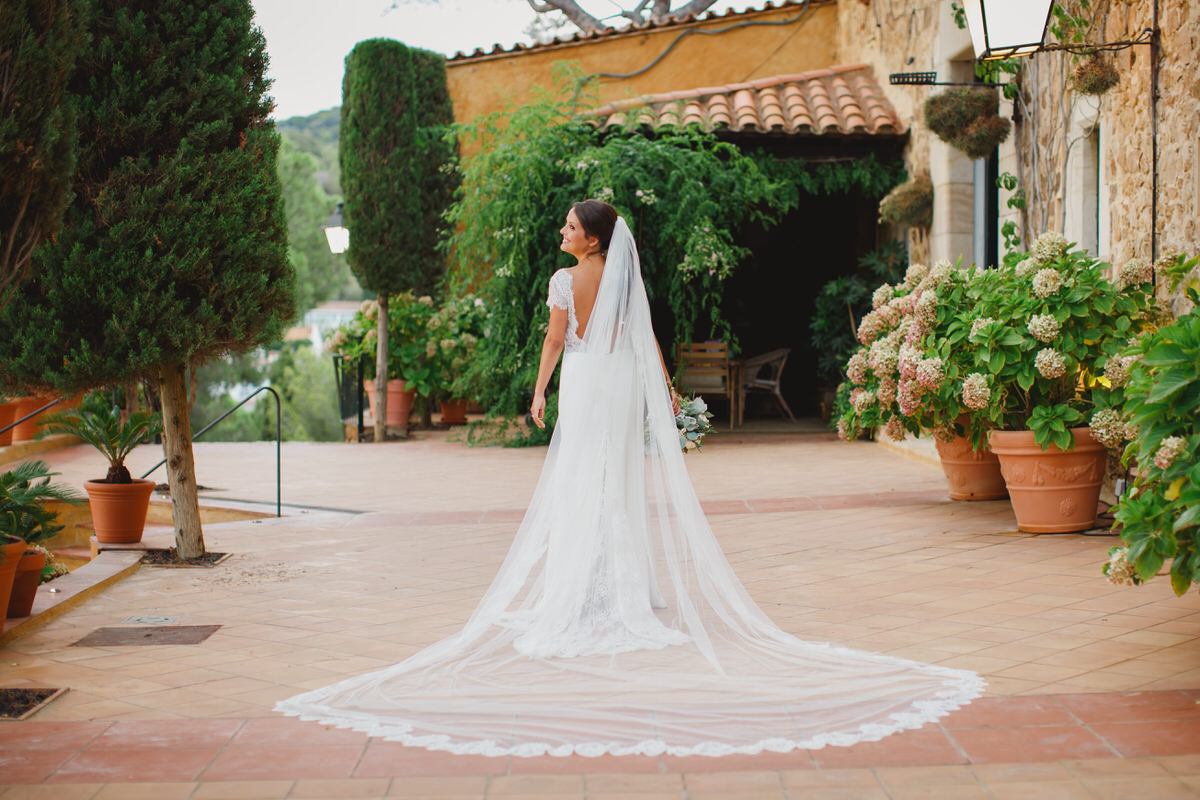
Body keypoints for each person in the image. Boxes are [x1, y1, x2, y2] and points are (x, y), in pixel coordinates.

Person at [276, 200, 982, 758]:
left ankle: (582, 589)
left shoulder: (565, 281)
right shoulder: (623, 276)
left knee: (579, 481)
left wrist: (538, 391)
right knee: (617, 484)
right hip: (619, 386)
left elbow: (556, 339)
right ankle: (621, 590)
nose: (563, 230)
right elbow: (645, 337)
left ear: (589, 239)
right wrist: (666, 393)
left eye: (570, 225)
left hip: (584, 382)